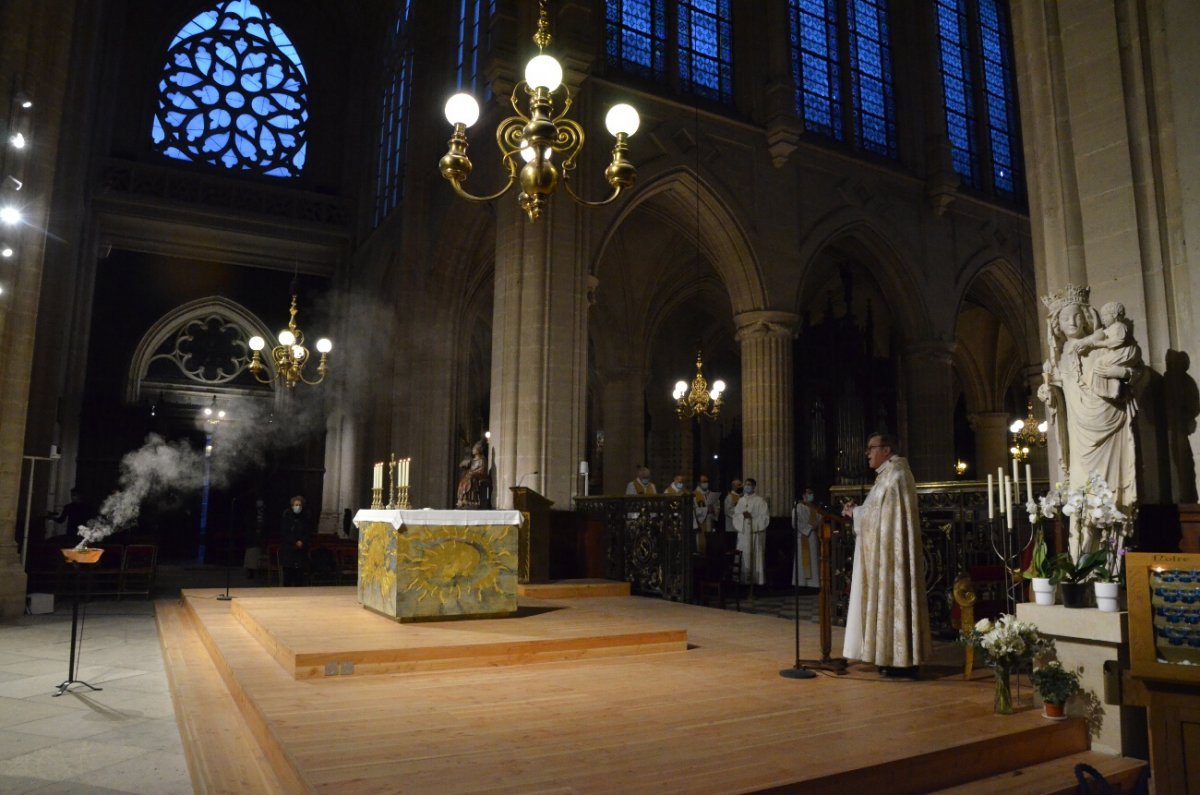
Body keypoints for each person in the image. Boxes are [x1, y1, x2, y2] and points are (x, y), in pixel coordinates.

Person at [1038, 286, 1141, 547]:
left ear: (1086, 316)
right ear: (1057, 326)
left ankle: (1112, 555)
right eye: (1064, 318)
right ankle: (1082, 560)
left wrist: (1120, 378)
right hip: (1079, 432)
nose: (1071, 322)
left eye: (1075, 316)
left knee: (1109, 491)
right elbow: (1059, 395)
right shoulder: (1060, 358)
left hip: (1109, 423)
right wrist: (1048, 392)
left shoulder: (1101, 346)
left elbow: (1130, 373)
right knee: (1082, 492)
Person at [840, 434, 931, 678]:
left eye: (871, 448)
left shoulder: (896, 476)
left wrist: (856, 514)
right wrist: (857, 512)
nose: (867, 453)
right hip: (884, 551)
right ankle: (887, 657)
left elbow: (883, 517)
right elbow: (876, 512)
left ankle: (900, 661)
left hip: (893, 555)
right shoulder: (887, 476)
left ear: (887, 449)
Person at [1080, 301, 1141, 401]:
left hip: (1118, 400)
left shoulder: (1119, 328)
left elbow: (1141, 372)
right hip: (1092, 401)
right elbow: (1099, 333)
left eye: (1105, 316)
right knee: (1099, 363)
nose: (1103, 319)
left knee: (1099, 363)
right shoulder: (1109, 329)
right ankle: (1103, 388)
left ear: (1114, 315)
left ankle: (1109, 389)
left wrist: (1124, 373)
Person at [732, 477, 769, 586]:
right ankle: (742, 581)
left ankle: (755, 582)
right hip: (743, 534)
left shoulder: (760, 500)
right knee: (744, 556)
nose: (747, 486)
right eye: (746, 484)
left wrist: (752, 518)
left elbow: (765, 518)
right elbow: (735, 515)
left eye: (749, 484)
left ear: (753, 486)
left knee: (754, 557)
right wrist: (742, 518)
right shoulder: (741, 500)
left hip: (754, 535)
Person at [279, 495, 312, 587]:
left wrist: (302, 541)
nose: (298, 507)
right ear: (292, 506)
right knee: (288, 576)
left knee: (299, 576)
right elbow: (285, 533)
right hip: (289, 549)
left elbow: (307, 532)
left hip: (301, 550)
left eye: (300, 505)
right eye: (296, 505)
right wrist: (294, 542)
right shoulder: (287, 517)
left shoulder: (305, 518)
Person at [791, 488, 820, 588]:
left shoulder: (814, 508)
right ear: (804, 495)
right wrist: (810, 527)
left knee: (813, 559)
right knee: (802, 560)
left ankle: (813, 583)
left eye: (811, 493)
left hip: (813, 536)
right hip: (803, 536)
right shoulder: (798, 507)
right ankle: (801, 583)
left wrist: (817, 524)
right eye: (809, 493)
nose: (811, 495)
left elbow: (819, 519)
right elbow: (795, 522)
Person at [455, 441, 490, 508]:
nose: (473, 450)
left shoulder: (482, 460)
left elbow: (482, 470)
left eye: (474, 449)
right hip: (471, 475)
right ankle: (463, 498)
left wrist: (473, 473)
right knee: (463, 480)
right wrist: (465, 467)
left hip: (478, 476)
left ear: (479, 450)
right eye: (473, 449)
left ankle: (470, 499)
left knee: (470, 479)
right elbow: (469, 468)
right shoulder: (473, 460)